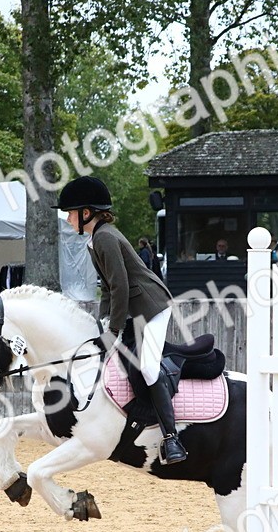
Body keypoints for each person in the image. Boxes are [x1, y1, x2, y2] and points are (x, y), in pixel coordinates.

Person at [53, 175, 186, 465]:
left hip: (152, 306)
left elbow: (121, 286)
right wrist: (103, 322)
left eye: (70, 213)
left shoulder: (105, 237)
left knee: (149, 367)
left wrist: (113, 329)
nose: (67, 218)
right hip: (135, 308)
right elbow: (108, 288)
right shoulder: (94, 240)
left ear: (86, 213)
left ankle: (171, 438)